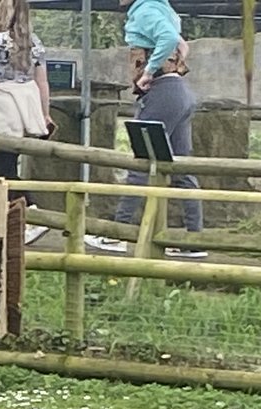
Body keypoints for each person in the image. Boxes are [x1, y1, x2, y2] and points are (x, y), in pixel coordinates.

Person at [85, 0, 205, 258]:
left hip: (161, 92)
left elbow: (170, 38)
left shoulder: (146, 10)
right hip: (179, 93)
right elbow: (181, 44)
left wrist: (149, 72)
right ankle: (195, 239)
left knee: (141, 163)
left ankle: (118, 233)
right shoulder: (163, 8)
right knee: (181, 167)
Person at [0, 0, 53, 245]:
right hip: (26, 104)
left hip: (0, 104)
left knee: (2, 167)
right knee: (11, 162)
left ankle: (29, 212)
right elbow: (42, 82)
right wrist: (44, 114)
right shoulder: (34, 42)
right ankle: (22, 216)